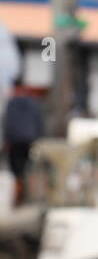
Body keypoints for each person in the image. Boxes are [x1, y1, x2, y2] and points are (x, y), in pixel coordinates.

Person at [3, 77, 44, 206]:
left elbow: (7, 124)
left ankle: (19, 198)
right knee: (29, 168)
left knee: (17, 172)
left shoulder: (11, 102)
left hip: (15, 141)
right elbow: (38, 121)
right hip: (30, 139)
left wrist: (6, 140)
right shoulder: (32, 101)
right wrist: (39, 137)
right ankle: (29, 198)